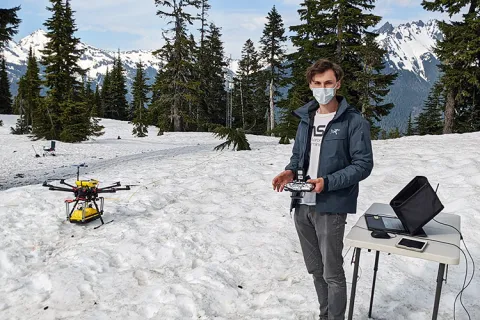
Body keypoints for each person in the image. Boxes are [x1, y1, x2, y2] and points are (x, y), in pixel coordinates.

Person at [272, 59, 373, 320]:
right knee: (316, 270)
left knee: (332, 273)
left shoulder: (353, 122)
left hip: (330, 206)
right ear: (310, 85)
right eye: (317, 84)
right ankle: (325, 315)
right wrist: (289, 171)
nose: (322, 88)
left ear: (338, 84)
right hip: (302, 203)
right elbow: (298, 157)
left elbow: (363, 165)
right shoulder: (306, 119)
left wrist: (327, 182)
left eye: (328, 83)